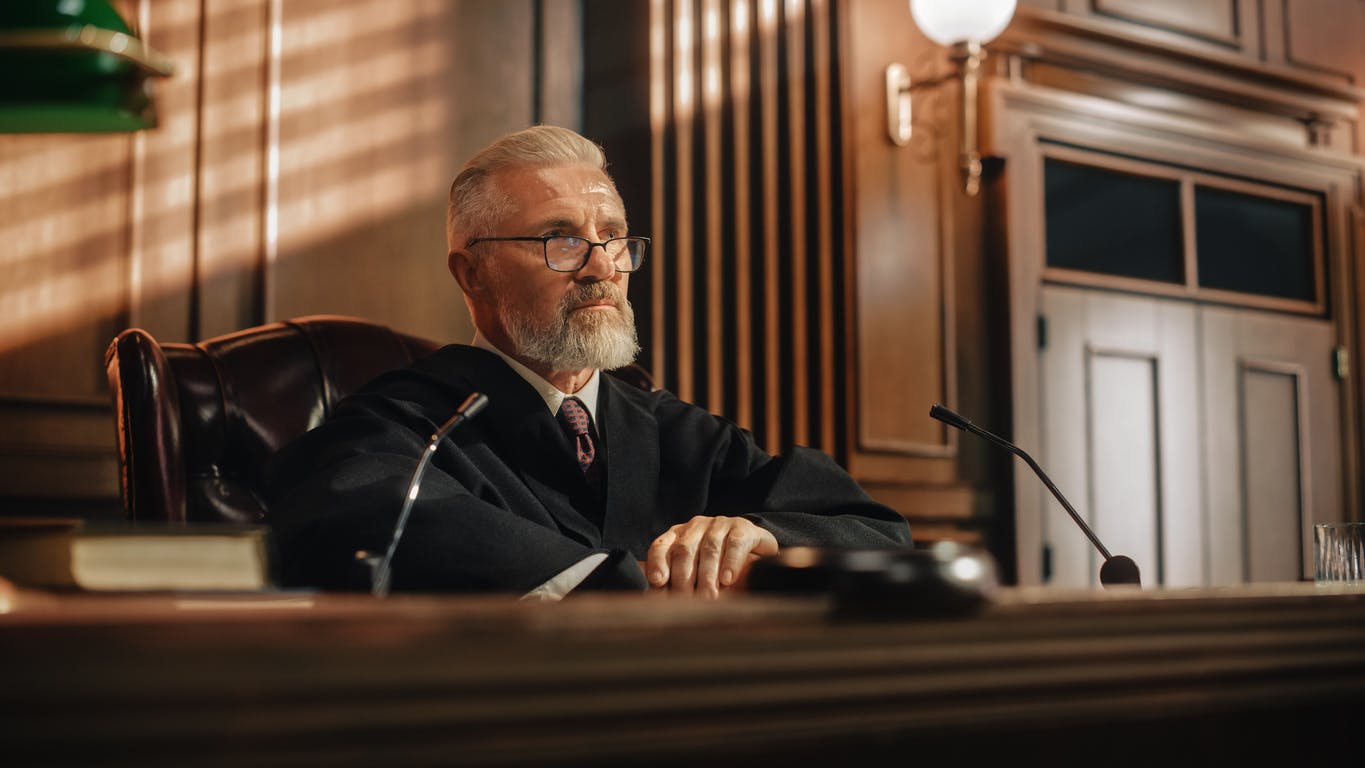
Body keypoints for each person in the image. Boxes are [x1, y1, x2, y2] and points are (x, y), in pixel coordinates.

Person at [263, 125, 911, 598]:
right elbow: (360, 513)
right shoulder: (412, 421)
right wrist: (617, 588)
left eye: (613, 238)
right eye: (561, 239)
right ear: (474, 273)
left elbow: (874, 532)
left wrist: (762, 541)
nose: (602, 266)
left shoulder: (672, 430)